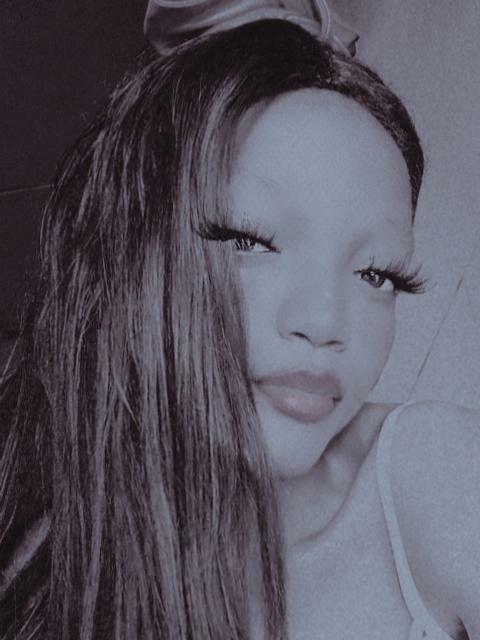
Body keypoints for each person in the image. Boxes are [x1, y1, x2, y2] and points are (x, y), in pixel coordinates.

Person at [0, 5, 479, 640]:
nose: (324, 322)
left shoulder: (433, 472)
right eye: (251, 241)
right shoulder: (44, 550)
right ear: (135, 253)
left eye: (375, 274)